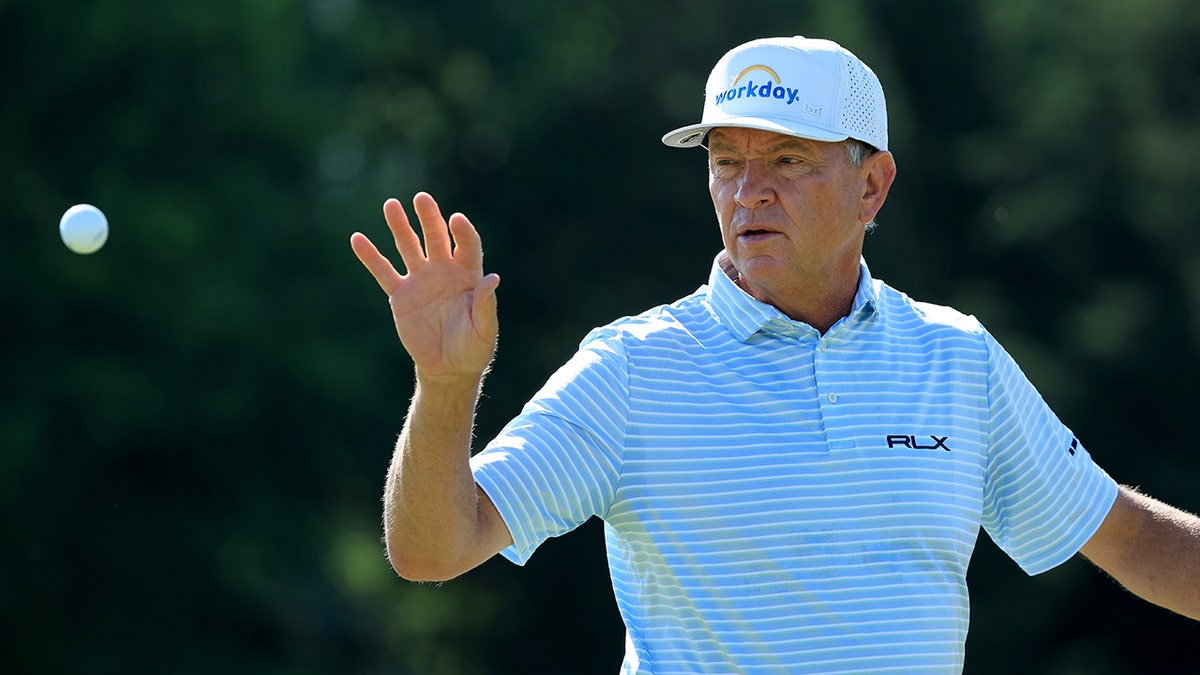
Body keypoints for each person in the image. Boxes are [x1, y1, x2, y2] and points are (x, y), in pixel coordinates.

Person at [350, 36, 1200, 673]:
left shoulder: (956, 361)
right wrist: (445, 385)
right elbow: (433, 548)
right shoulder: (631, 369)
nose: (749, 189)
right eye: (727, 162)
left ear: (872, 185)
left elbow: (1129, 539)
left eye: (788, 160)